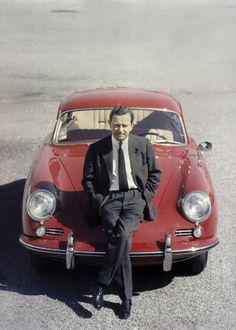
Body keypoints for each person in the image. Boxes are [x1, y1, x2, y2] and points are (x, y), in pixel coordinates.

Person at [82, 104, 161, 319]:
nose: (120, 130)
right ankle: (126, 299)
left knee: (122, 235)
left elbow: (155, 174)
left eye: (125, 125)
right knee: (121, 243)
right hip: (109, 199)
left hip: (135, 198)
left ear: (132, 125)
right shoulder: (96, 148)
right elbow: (87, 180)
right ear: (109, 124)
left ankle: (100, 284)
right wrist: (99, 201)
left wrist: (146, 197)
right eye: (116, 125)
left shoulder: (143, 144)